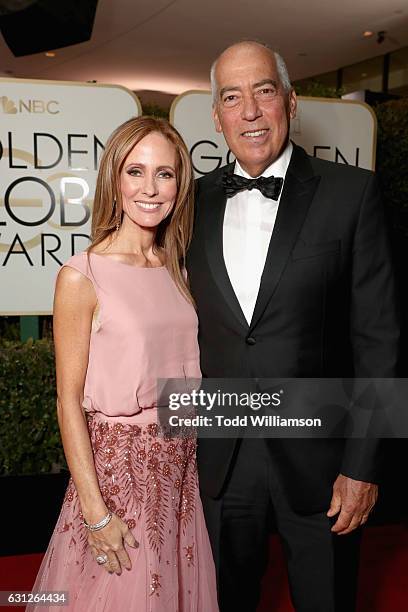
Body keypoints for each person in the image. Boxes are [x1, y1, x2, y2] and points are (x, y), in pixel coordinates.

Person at [186, 41, 399, 611]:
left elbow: (380, 342)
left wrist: (363, 464)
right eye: (232, 97)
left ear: (290, 101)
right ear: (216, 115)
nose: (249, 111)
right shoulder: (190, 203)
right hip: (220, 458)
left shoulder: (352, 194)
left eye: (263, 91)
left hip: (323, 462)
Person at [28, 116, 218, 612]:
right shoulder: (82, 275)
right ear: (114, 178)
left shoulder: (178, 269)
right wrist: (95, 512)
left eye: (165, 173)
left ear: (180, 184)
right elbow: (68, 402)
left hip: (181, 478)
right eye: (135, 171)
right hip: (119, 484)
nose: (150, 189)